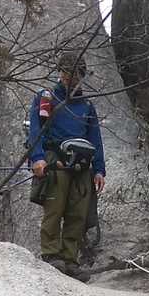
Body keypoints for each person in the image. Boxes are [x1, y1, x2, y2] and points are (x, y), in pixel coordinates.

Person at [27, 53, 105, 282]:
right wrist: (38, 158)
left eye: (74, 74)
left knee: (78, 211)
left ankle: (70, 259)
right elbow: (35, 129)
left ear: (82, 75)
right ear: (59, 72)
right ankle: (51, 255)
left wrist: (99, 169)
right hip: (56, 158)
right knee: (55, 206)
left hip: (82, 161)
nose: (69, 78)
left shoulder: (87, 106)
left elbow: (95, 137)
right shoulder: (46, 97)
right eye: (65, 72)